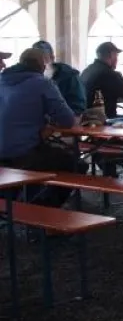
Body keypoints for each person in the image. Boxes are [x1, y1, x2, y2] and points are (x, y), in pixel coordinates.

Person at [0, 48, 81, 206]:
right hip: (22, 153)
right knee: (75, 164)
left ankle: (21, 199)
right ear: (42, 66)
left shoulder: (2, 81)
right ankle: (42, 207)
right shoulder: (42, 83)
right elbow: (68, 120)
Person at [80, 41, 123, 118]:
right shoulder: (110, 74)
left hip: (84, 118)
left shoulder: (87, 70)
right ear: (111, 55)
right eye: (116, 55)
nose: (117, 59)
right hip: (104, 119)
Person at [32, 41, 86, 115]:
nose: (41, 63)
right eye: (36, 61)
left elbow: (78, 106)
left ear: (52, 58)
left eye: (44, 58)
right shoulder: (32, 77)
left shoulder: (69, 76)